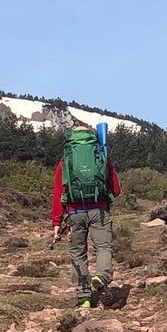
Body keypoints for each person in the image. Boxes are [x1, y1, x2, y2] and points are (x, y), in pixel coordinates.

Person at [51, 125, 122, 309]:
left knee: (78, 253)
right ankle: (102, 277)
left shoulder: (65, 160)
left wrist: (56, 222)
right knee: (103, 247)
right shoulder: (101, 157)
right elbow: (116, 189)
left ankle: (84, 297)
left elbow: (59, 193)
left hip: (74, 212)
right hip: (99, 211)